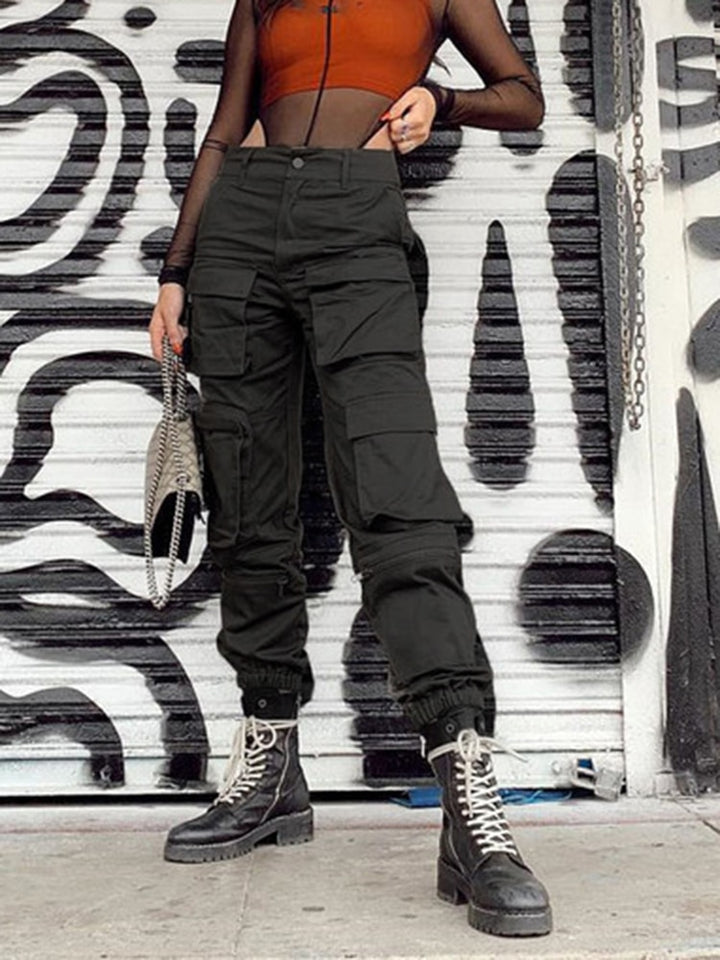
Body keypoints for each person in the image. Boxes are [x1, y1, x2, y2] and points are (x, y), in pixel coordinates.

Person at [149, 0, 550, 939]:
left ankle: (466, 795)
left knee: (398, 493)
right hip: (241, 226)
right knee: (247, 498)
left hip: (357, 217)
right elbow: (225, 132)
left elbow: (524, 97)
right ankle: (271, 766)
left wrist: (441, 102)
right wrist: (175, 272)